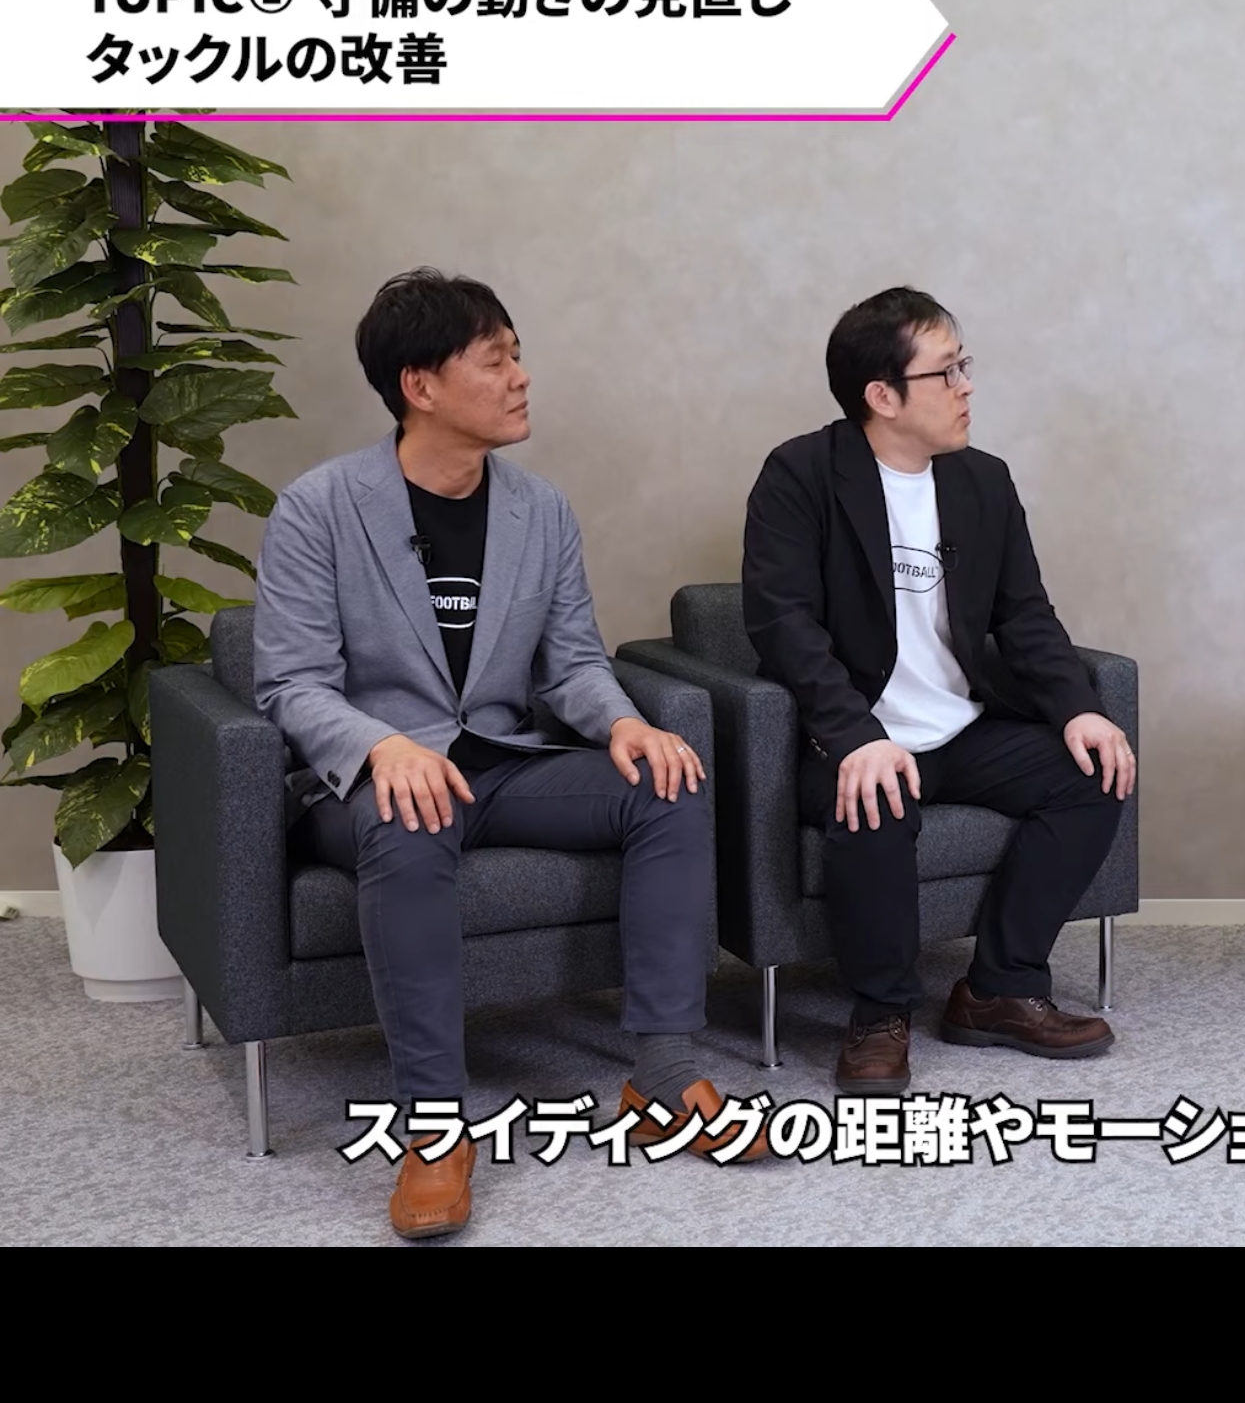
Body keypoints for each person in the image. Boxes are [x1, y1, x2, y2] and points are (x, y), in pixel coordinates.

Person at [253, 268, 752, 1242]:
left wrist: (623, 725)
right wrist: (382, 746)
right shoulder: (319, 507)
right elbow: (291, 683)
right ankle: (435, 1126)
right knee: (409, 815)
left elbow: (571, 662)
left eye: (518, 356)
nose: (521, 377)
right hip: (374, 779)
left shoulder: (540, 510)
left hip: (507, 760)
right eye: (496, 360)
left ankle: (662, 1073)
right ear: (420, 385)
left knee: (667, 784)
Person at [741, 286, 1135, 1095]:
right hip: (852, 734)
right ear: (882, 396)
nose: (966, 387)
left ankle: (999, 988)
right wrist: (856, 739)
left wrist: (1080, 710)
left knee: (1092, 775)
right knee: (875, 800)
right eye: (945, 372)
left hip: (960, 727)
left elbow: (1025, 616)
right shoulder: (801, 475)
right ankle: (879, 1014)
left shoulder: (982, 481)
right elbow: (784, 625)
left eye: (964, 366)